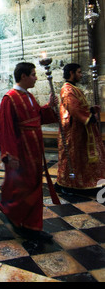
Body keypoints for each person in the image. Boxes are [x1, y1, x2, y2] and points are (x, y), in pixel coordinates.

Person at [0, 62, 60, 241]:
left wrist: (49, 106)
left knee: (35, 187)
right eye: (33, 74)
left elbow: (37, 116)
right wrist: (10, 154)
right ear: (23, 76)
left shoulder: (29, 96)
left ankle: (32, 224)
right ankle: (22, 221)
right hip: (22, 153)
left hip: (34, 151)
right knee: (24, 189)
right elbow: (7, 129)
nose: (36, 78)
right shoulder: (9, 98)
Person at [56, 63, 105, 193]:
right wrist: (89, 117)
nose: (81, 74)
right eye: (79, 72)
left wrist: (90, 109)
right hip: (73, 131)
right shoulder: (67, 89)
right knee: (72, 157)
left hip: (81, 129)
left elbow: (80, 106)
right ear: (71, 73)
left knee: (82, 158)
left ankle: (85, 181)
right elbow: (74, 108)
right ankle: (69, 183)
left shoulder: (73, 88)